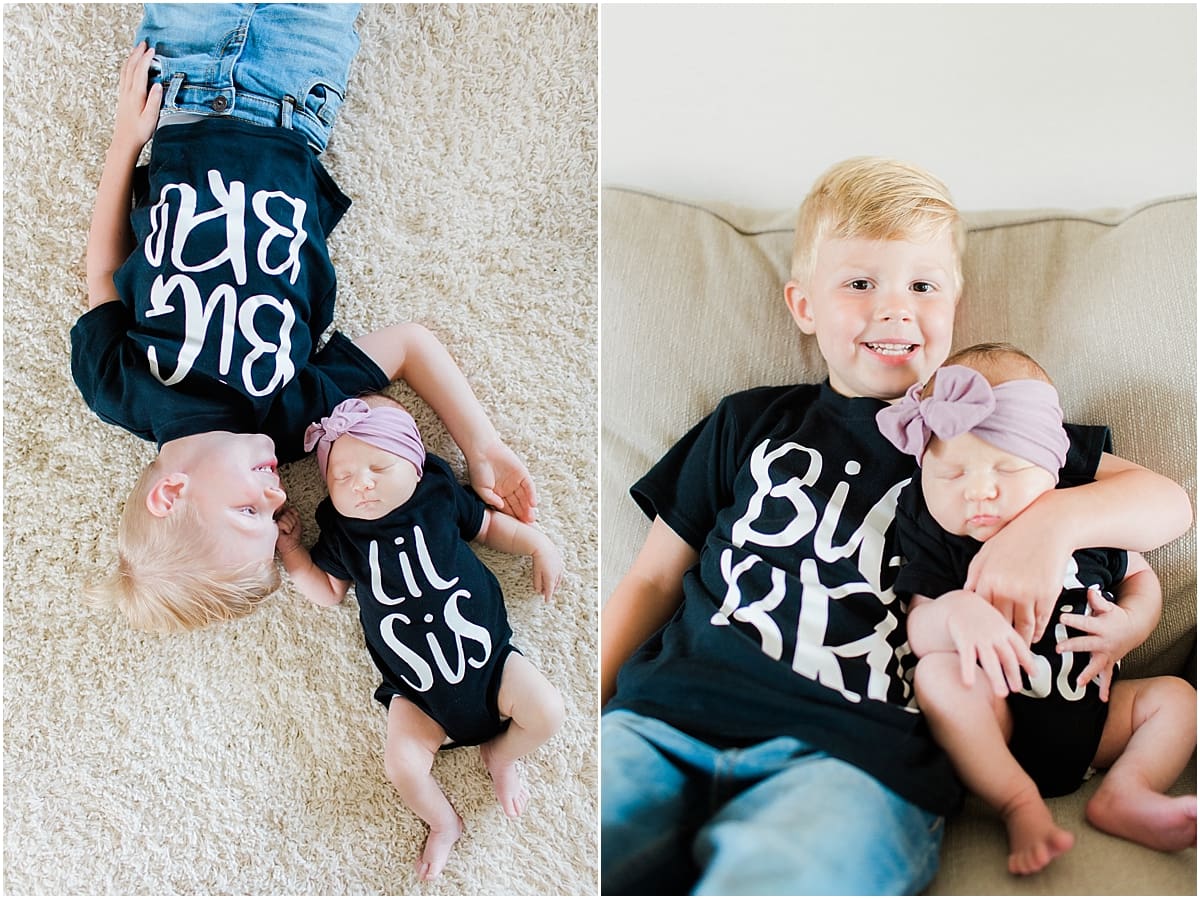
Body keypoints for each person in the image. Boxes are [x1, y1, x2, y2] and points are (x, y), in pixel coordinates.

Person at [598, 157, 1194, 894]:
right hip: (667, 714)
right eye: (859, 284)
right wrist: (590, 707)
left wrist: (1050, 527)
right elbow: (653, 578)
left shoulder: (1000, 429)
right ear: (803, 305)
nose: (895, 310)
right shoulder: (751, 421)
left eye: (923, 286)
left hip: (858, 759)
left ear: (955, 305)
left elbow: (1168, 503)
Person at [73, 5, 535, 633]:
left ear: (170, 492)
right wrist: (482, 446)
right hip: (294, 102)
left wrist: (124, 142)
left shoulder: (117, 390)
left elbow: (104, 273)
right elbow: (409, 346)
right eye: (274, 520)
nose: (277, 498)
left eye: (249, 512)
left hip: (181, 92)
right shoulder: (294, 419)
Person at [876, 342, 1197, 875]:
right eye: (952, 475)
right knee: (938, 676)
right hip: (999, 719)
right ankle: (1016, 802)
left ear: (1053, 466)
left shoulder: (1087, 515)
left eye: (1007, 468)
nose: (980, 492)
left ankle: (1126, 791)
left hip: (1099, 718)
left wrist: (1130, 627)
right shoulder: (937, 533)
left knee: (1178, 699)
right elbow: (920, 624)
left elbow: (1140, 578)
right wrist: (954, 613)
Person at [275, 395, 566, 882]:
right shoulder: (343, 532)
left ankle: (501, 754)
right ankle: (443, 822)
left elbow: (489, 526)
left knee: (549, 712)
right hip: (416, 694)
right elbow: (327, 592)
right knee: (403, 767)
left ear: (414, 464)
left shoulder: (437, 494)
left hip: (491, 666)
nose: (361, 483)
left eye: (378, 467)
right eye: (341, 477)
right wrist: (292, 552)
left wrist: (537, 543)